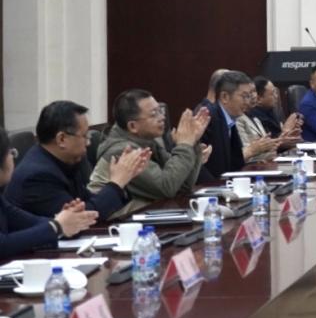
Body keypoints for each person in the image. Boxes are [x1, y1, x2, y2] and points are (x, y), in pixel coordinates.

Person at [4, 100, 149, 222]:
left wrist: (124, 178)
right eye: (85, 136)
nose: (88, 142)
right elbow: (83, 219)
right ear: (62, 139)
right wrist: (117, 183)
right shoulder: (37, 177)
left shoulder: (67, 161)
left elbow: (88, 203)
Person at [90, 90, 211, 218]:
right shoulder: (124, 151)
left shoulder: (148, 141)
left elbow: (181, 185)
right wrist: (185, 145)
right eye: (154, 114)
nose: (162, 117)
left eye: (160, 111)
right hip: (110, 224)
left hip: (141, 215)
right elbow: (166, 188)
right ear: (133, 126)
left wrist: (192, 143)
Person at [0, 129, 99, 261]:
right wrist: (56, 227)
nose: (12, 158)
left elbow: (25, 221)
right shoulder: (37, 173)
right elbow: (3, 244)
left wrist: (65, 221)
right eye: (11, 153)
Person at [200, 71, 254, 178]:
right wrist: (217, 185)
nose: (247, 102)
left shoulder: (230, 120)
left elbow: (236, 163)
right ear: (225, 97)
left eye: (249, 97)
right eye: (244, 96)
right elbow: (198, 166)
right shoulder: (207, 117)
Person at [238, 79, 301, 162]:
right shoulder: (239, 118)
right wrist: (284, 133)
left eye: (253, 92)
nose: (254, 96)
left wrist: (283, 139)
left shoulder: (256, 118)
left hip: (270, 162)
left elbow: (268, 148)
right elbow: (244, 155)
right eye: (247, 94)